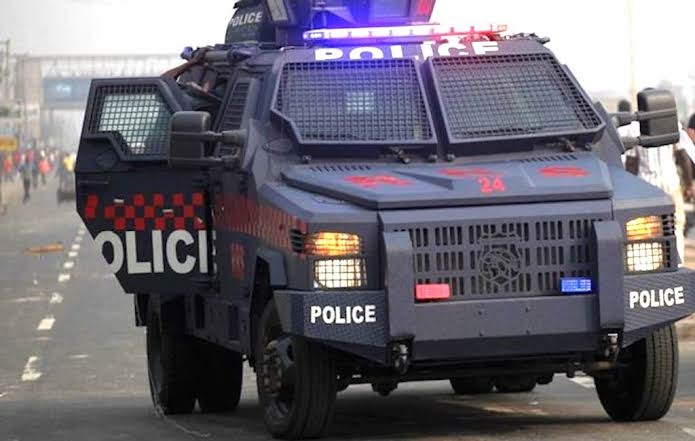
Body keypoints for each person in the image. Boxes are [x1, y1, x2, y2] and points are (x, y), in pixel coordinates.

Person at [620, 100, 694, 264]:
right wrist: (689, 185)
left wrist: (629, 191)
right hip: (670, 185)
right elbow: (683, 157)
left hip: (645, 189)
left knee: (648, 229)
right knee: (675, 226)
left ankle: (652, 264)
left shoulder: (634, 128)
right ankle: (677, 264)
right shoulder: (672, 124)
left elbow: (631, 164)